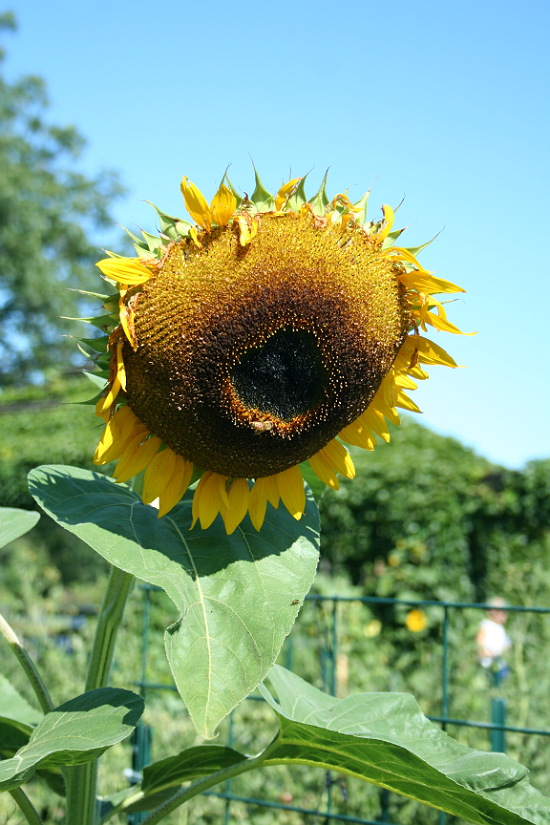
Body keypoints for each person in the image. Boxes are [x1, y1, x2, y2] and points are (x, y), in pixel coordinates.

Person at [476, 597, 512, 682]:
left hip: (500, 664)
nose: (505, 614)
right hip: (488, 664)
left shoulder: (501, 628)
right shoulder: (486, 625)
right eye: (502, 611)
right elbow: (479, 644)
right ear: (493, 612)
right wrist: (487, 653)